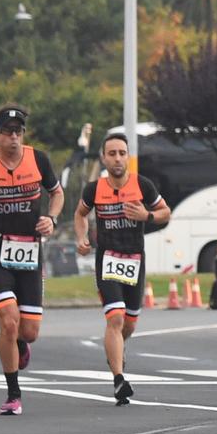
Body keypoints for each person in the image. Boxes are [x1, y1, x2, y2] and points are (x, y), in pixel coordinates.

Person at [0, 104, 62, 417]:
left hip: (31, 251)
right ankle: (13, 394)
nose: (13, 138)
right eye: (7, 133)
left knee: (27, 331)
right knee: (8, 322)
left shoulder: (38, 159)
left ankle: (21, 345)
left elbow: (57, 193)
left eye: (18, 132)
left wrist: (52, 218)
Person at [77, 130, 171, 405]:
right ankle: (119, 379)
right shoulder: (94, 190)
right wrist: (81, 237)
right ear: (104, 159)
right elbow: (80, 214)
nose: (117, 159)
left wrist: (147, 215)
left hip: (134, 261)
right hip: (107, 260)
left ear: (128, 158)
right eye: (112, 154)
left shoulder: (142, 186)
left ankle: (116, 351)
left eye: (122, 153)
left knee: (128, 324)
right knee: (115, 318)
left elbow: (166, 212)